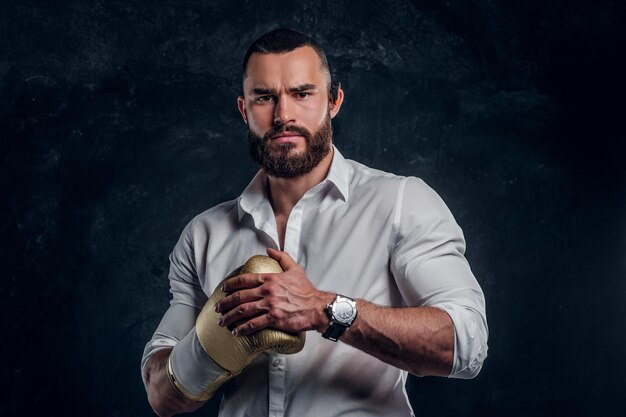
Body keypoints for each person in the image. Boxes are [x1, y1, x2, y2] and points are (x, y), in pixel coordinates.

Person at [141, 28, 488, 417]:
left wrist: (325, 310)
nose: (283, 114)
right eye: (264, 97)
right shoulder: (203, 235)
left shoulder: (400, 202)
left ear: (334, 100)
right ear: (243, 109)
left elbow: (465, 343)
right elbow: (162, 396)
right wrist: (213, 342)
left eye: (302, 93)